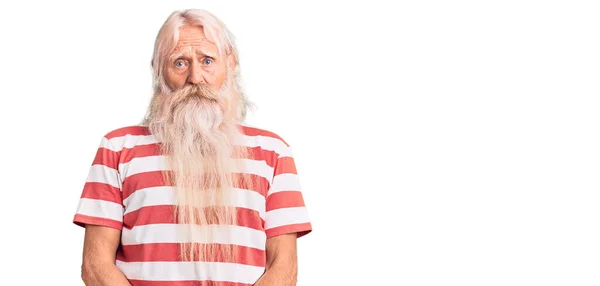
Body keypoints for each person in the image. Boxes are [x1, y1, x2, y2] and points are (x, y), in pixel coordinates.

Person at [72, 9, 312, 286]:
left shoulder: (273, 151)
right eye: (180, 63)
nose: (196, 77)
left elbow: (283, 268)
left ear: (230, 63)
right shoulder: (118, 148)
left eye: (208, 60)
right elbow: (96, 265)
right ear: (158, 69)